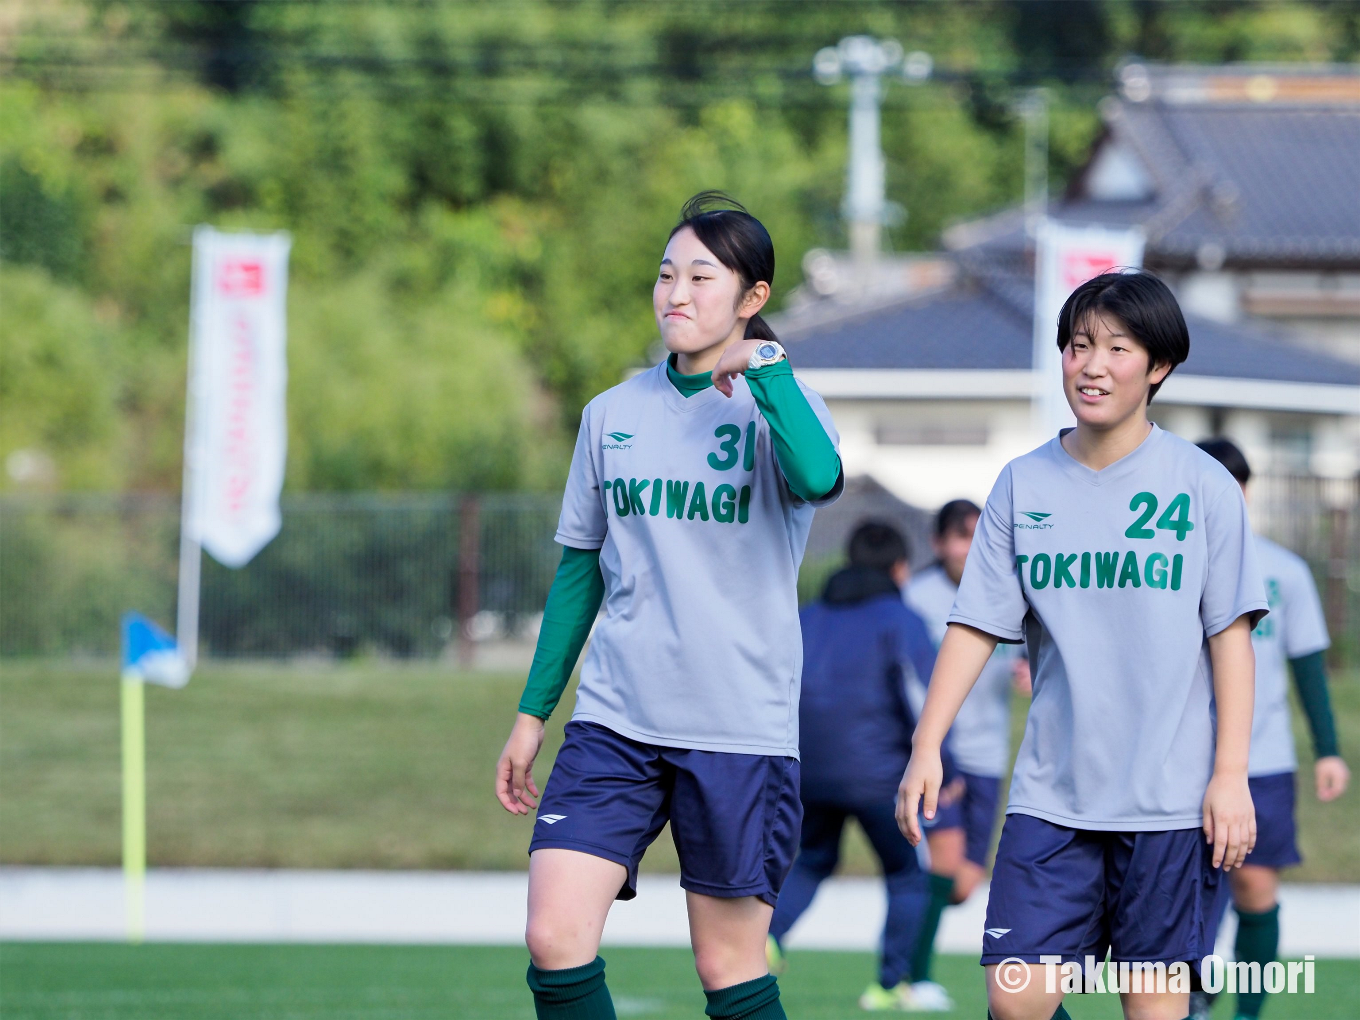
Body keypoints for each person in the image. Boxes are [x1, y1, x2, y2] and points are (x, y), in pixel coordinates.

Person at [494, 191, 842, 1020]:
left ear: (751, 298)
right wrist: (532, 712)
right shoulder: (610, 416)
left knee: (729, 966)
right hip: (617, 722)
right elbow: (580, 572)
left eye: (700, 277)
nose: (675, 295)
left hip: (737, 731)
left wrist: (765, 370)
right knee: (554, 936)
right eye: (664, 275)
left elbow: (821, 478)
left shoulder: (780, 409)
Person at [896, 269, 1268, 1020]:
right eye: (1076, 346)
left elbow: (1231, 641)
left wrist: (1231, 775)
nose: (1090, 366)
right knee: (1015, 1001)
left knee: (1155, 1010)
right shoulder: (1022, 484)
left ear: (1158, 366)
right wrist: (926, 744)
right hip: (1052, 798)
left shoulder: (1202, 487)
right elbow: (974, 627)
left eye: (1116, 349)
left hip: (1169, 806)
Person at [1189, 438, 1350, 1020]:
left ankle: (1247, 1014)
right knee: (1181, 894)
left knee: (1254, 887)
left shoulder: (1284, 571)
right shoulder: (1166, 569)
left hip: (1263, 765)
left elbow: (1307, 668)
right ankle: (1191, 997)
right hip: (1180, 767)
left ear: (1244, 492)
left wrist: (1328, 751)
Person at [766, 521, 944, 1012]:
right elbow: (921, 697)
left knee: (814, 859)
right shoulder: (900, 618)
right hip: (878, 775)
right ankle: (891, 984)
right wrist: (943, 765)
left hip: (808, 769)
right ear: (899, 568)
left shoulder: (808, 615)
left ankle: (769, 936)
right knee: (909, 873)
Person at [903, 499, 1031, 1003]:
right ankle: (911, 978)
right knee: (943, 862)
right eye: (959, 536)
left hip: (988, 756)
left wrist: (1029, 672)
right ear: (938, 543)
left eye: (977, 536)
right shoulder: (916, 597)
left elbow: (1031, 657)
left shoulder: (1013, 593)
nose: (968, 548)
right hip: (939, 758)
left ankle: (907, 956)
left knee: (962, 883)